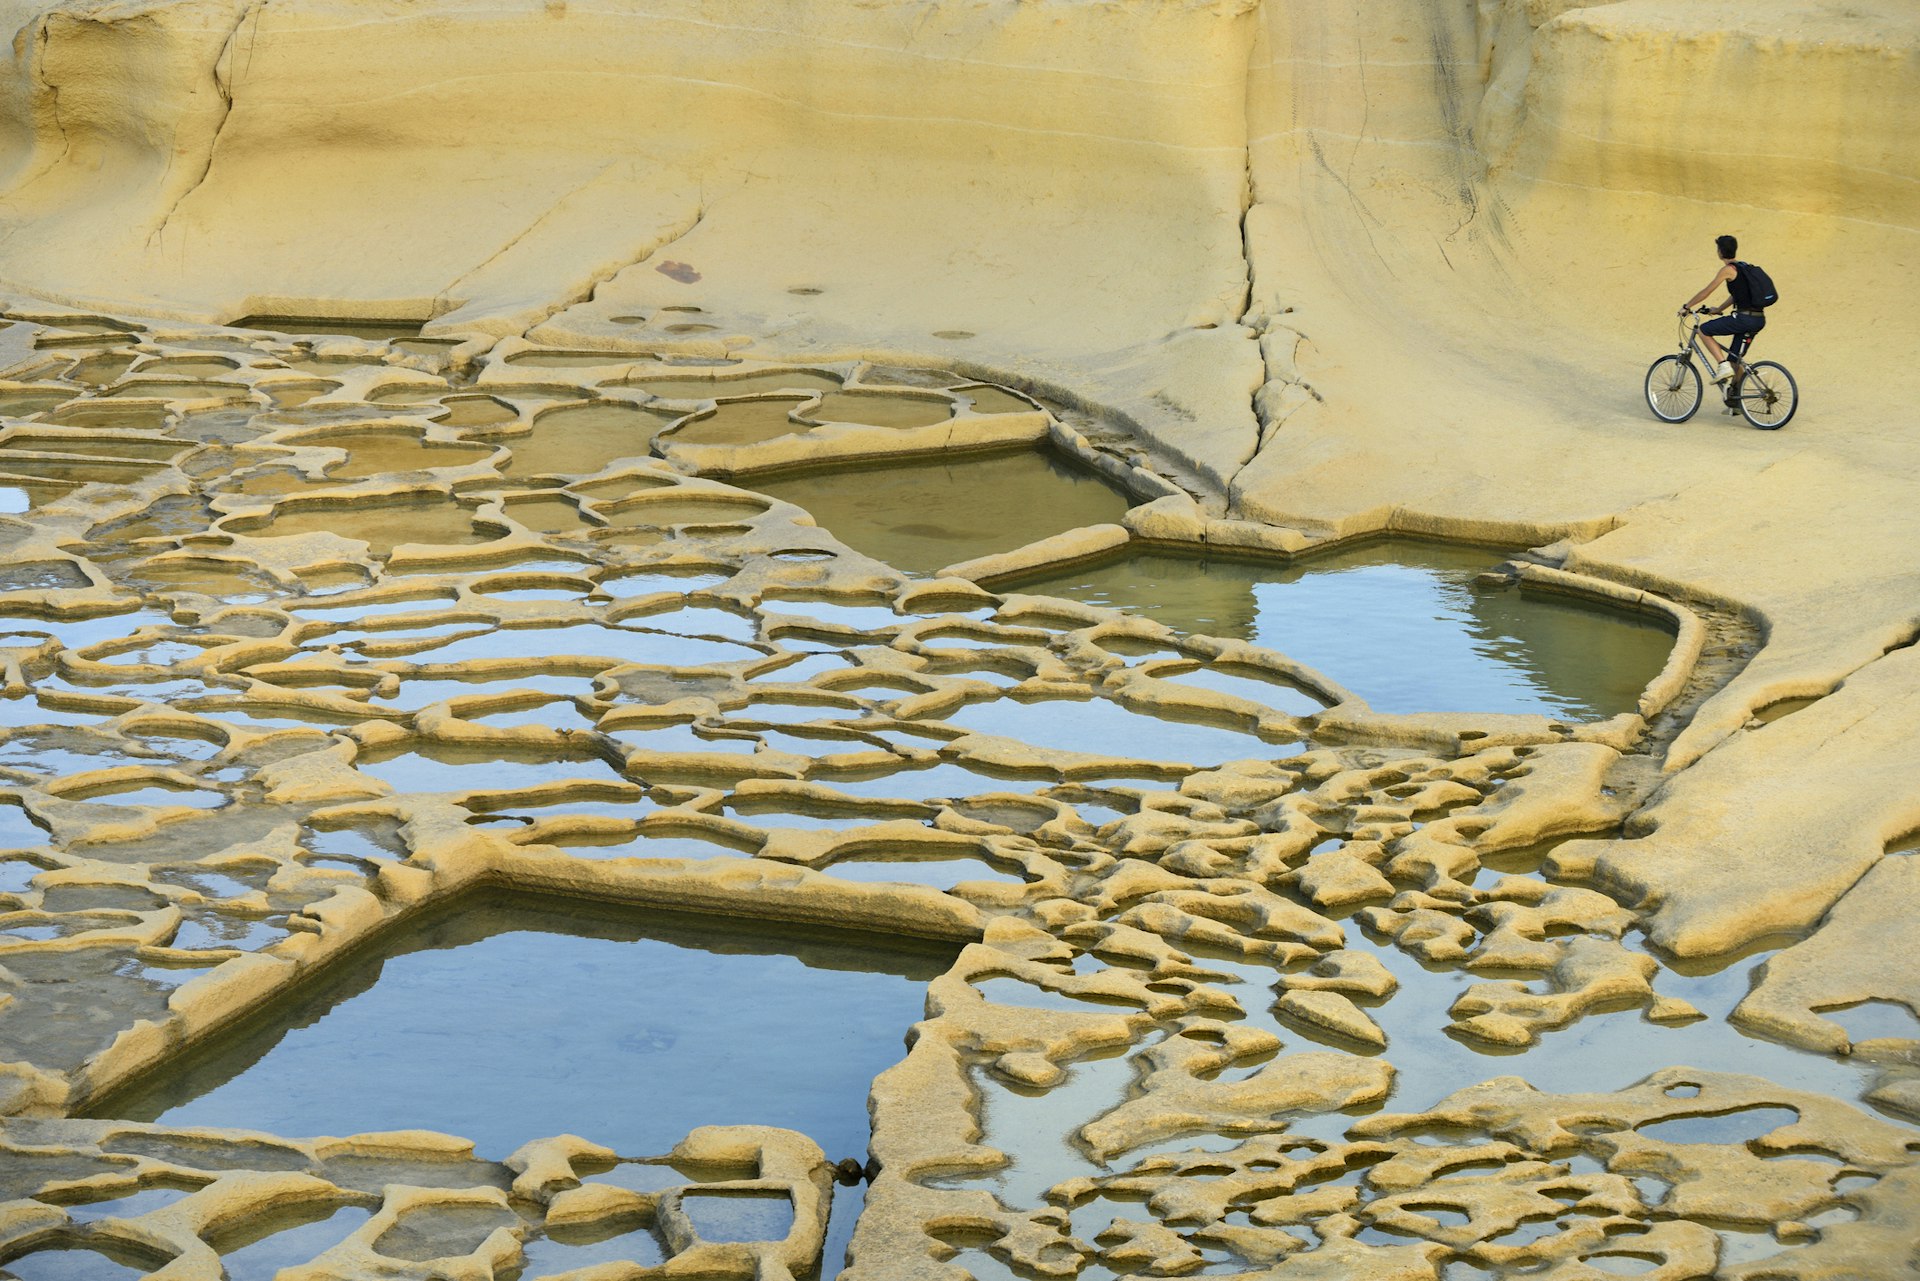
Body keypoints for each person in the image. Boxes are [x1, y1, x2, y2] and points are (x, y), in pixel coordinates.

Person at [1680, 234, 1765, 386]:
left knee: (1703, 330)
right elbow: (1737, 296)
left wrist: (1687, 306)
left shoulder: (1728, 270)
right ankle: (1736, 402)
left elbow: (1706, 291)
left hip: (1743, 319)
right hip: (1758, 319)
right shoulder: (1743, 267)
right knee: (1735, 360)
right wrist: (1719, 309)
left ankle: (1722, 365)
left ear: (1720, 251)